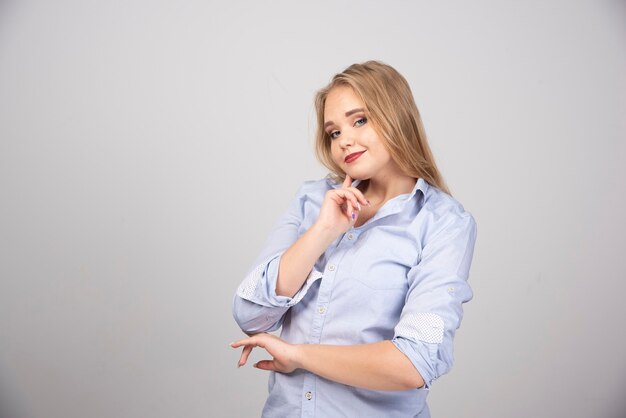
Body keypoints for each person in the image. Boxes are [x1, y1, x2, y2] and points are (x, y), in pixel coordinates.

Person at [230, 61, 477, 417]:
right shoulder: (311, 201)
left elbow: (414, 363)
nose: (344, 140)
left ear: (396, 117)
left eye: (359, 120)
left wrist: (299, 355)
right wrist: (323, 231)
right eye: (333, 132)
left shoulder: (443, 224)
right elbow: (250, 315)